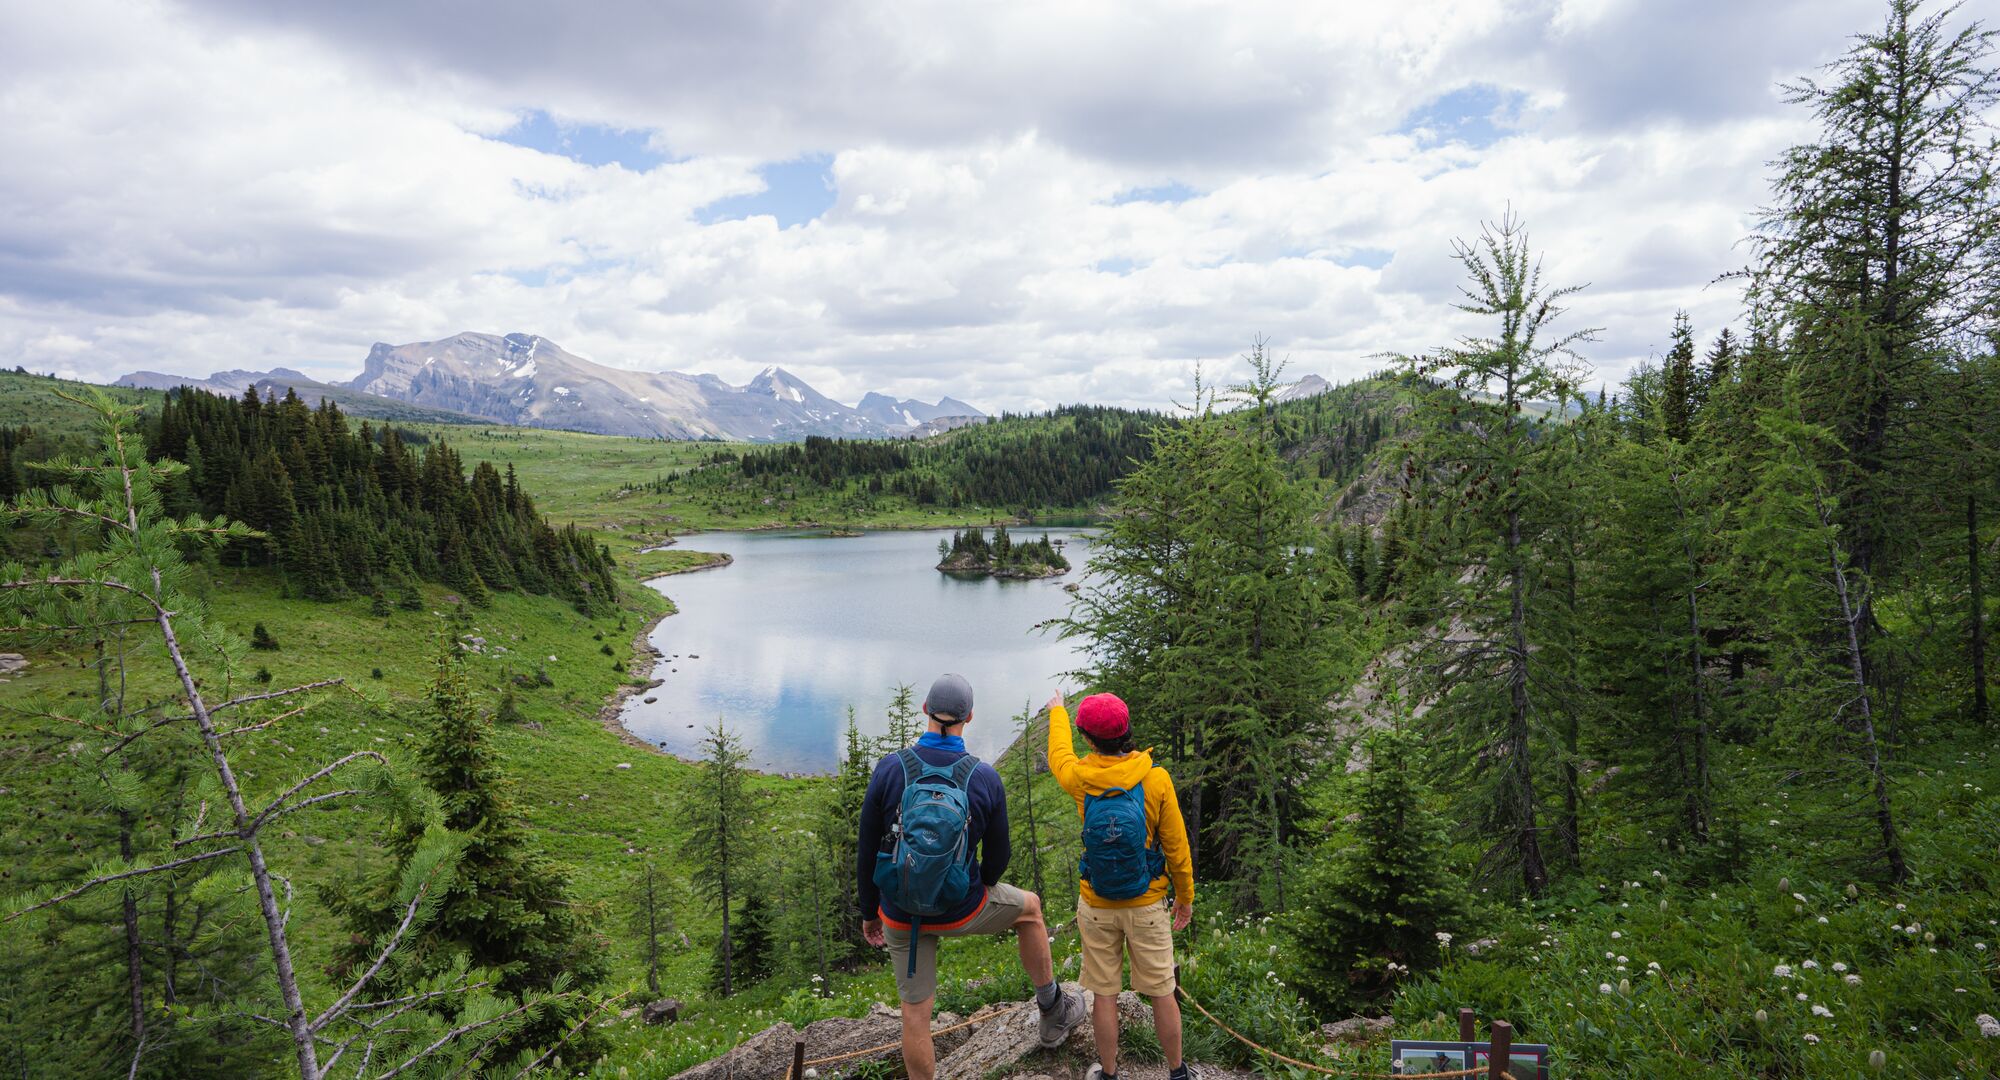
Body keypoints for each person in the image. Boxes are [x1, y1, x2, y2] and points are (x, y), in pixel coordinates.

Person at [859, 673, 1087, 1080]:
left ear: (926, 710)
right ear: (970, 717)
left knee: (915, 1015)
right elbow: (999, 859)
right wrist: (974, 882)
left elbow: (866, 849)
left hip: (899, 914)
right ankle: (1053, 1010)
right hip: (961, 908)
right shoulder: (982, 777)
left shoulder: (891, 769)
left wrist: (870, 911)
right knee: (1030, 909)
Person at [1045, 690, 1196, 1080]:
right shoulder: (1156, 778)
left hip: (1096, 905)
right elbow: (1177, 846)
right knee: (1162, 990)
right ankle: (1177, 1073)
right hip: (1147, 903)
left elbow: (1058, 757)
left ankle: (1109, 1074)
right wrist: (1185, 896)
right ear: (1127, 730)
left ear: (1089, 739)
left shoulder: (1082, 778)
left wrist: (1058, 712)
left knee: (1105, 994)